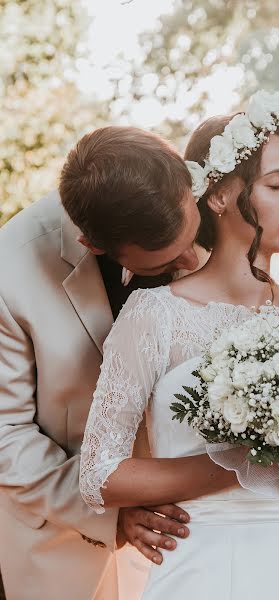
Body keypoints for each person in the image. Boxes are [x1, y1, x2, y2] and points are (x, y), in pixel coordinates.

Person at [79, 93, 279, 598]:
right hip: (200, 563)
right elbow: (100, 476)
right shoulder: (155, 315)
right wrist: (245, 462)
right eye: (276, 184)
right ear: (217, 195)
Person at [0, 126, 208, 600]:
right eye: (167, 262)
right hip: (62, 545)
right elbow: (5, 437)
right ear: (96, 247)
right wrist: (112, 514)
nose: (193, 261)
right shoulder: (7, 274)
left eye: (192, 238)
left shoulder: (174, 193)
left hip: (192, 539)